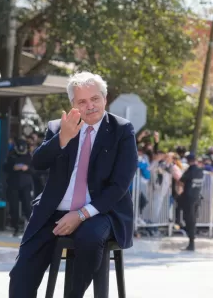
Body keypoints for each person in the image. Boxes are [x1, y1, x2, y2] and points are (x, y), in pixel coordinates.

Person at [8, 72, 137, 298]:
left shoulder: (122, 130)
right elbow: (38, 163)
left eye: (95, 99)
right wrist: (62, 139)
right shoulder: (59, 127)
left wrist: (81, 214)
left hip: (100, 211)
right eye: (82, 101)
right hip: (53, 210)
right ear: (73, 105)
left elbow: (119, 185)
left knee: (89, 238)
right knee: (22, 272)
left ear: (105, 98)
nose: (90, 106)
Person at [4, 137, 34, 237]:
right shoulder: (11, 155)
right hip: (13, 185)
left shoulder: (29, 156)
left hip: (26, 185)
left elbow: (35, 170)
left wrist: (27, 168)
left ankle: (31, 227)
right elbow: (5, 167)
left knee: (27, 206)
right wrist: (13, 167)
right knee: (14, 207)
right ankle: (16, 227)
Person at [179, 153, 204, 251]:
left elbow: (181, 179)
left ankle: (191, 243)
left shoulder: (190, 170)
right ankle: (191, 242)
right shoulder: (200, 171)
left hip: (189, 198)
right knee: (192, 221)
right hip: (197, 198)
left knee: (189, 220)